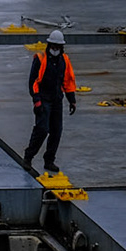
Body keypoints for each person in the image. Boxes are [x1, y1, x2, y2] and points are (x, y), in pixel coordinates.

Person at [22, 29, 77, 174]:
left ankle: (49, 160)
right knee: (42, 129)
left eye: (58, 46)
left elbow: (68, 81)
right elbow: (33, 82)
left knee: (56, 131)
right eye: (53, 45)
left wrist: (72, 100)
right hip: (43, 99)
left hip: (57, 99)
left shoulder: (64, 60)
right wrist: (37, 100)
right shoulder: (40, 59)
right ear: (49, 45)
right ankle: (28, 157)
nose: (55, 49)